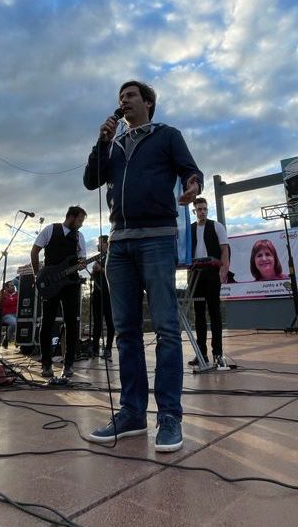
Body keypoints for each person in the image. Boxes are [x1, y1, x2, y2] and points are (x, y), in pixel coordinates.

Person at [83, 80, 202, 453]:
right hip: (119, 243)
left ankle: (169, 416)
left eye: (130, 96)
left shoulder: (167, 135)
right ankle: (132, 413)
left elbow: (189, 170)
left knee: (166, 329)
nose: (123, 101)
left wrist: (193, 187)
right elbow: (90, 181)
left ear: (148, 103)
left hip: (157, 238)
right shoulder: (114, 145)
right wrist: (101, 141)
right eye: (120, 97)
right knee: (126, 332)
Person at [31, 206, 87, 379]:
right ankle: (46, 364)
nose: (81, 224)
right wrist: (37, 275)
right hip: (49, 283)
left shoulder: (79, 237)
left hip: (70, 284)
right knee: (47, 322)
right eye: (80, 220)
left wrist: (82, 264)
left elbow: (82, 260)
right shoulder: (50, 229)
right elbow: (35, 251)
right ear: (71, 217)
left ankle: (68, 364)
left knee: (71, 322)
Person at [188, 197, 230, 367]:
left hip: (212, 273)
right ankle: (201, 354)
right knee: (198, 315)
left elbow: (224, 250)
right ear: (194, 211)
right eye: (199, 209)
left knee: (214, 313)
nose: (203, 211)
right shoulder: (189, 229)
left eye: (205, 208)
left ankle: (218, 354)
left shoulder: (216, 226)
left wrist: (223, 271)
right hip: (195, 274)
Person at [90, 235, 115, 360]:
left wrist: (101, 269)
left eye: (99, 243)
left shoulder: (112, 256)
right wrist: (94, 271)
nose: (97, 245)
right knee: (97, 322)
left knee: (110, 322)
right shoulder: (99, 258)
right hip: (97, 294)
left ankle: (108, 348)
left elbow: (114, 272)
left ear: (106, 244)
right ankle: (94, 348)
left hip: (108, 294)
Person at [0, 280, 18, 349]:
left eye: (14, 285)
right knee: (14, 323)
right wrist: (2, 293)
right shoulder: (3, 295)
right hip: (7, 315)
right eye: (11, 286)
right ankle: (6, 339)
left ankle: (21, 343)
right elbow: (1, 304)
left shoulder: (17, 294)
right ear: (6, 287)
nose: (13, 287)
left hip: (17, 315)